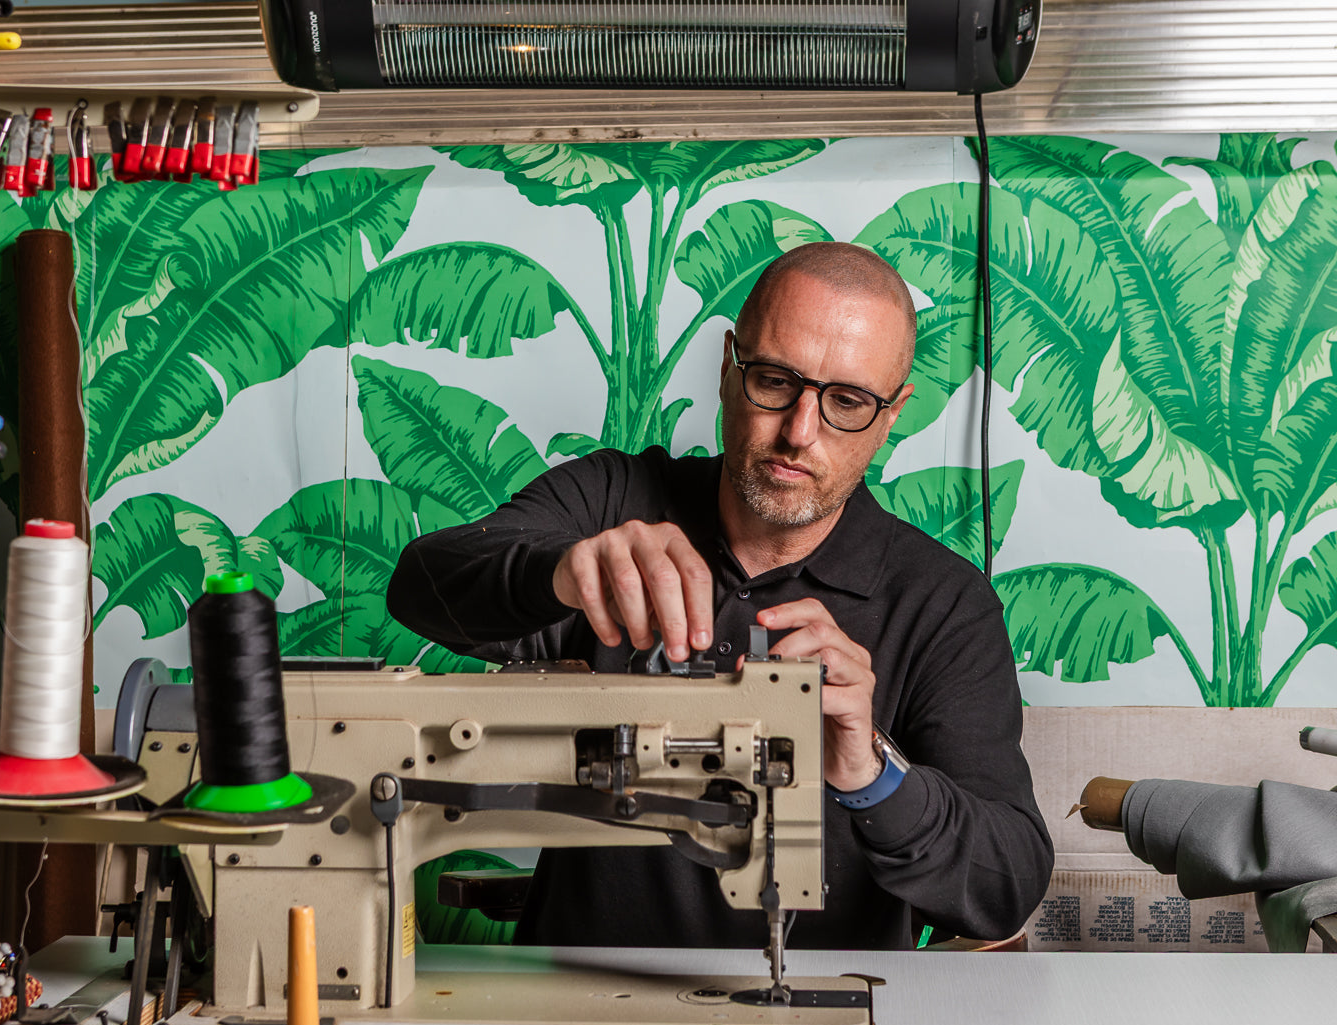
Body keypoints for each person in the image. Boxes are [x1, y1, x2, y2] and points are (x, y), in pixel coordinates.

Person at [387, 242, 1053, 950]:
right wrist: (564, 571)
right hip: (575, 997)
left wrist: (870, 772)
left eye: (847, 402)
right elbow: (418, 586)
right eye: (775, 381)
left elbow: (1006, 884)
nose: (800, 432)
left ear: (891, 415)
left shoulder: (944, 605)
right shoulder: (614, 500)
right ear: (729, 367)